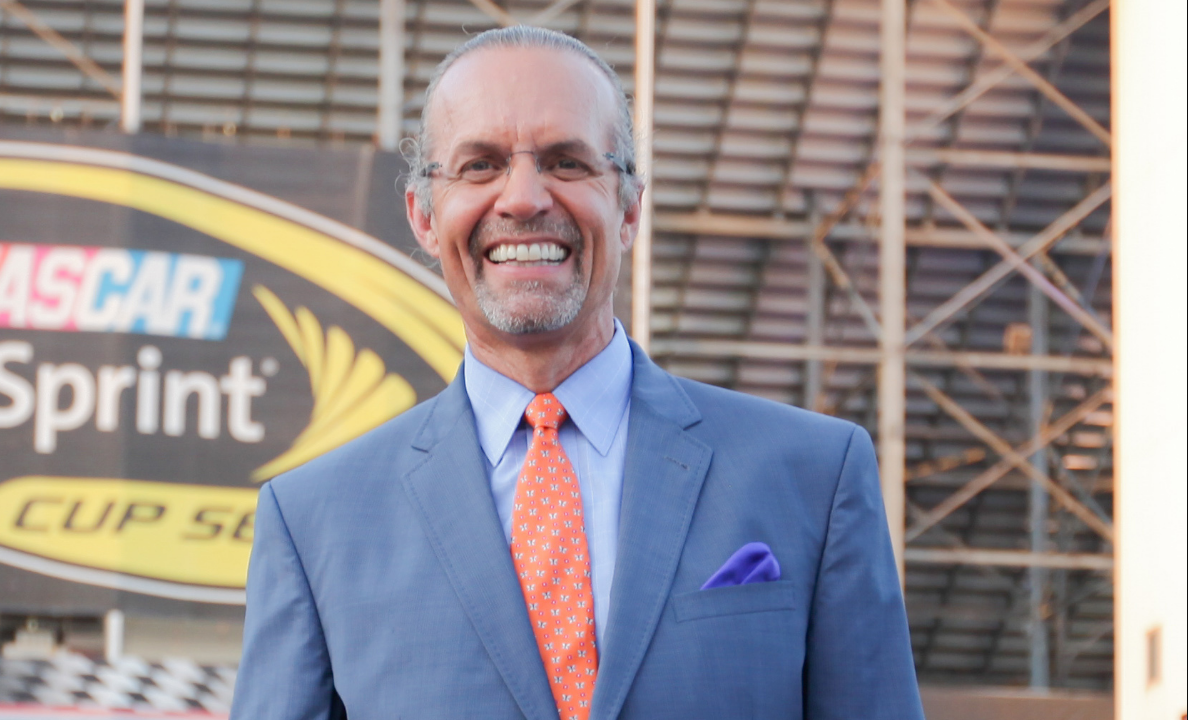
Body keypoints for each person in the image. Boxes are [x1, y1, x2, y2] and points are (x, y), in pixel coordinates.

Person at [231, 26, 923, 720]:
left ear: (628, 207)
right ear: (423, 215)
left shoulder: (815, 476)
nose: (524, 198)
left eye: (566, 163)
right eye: (479, 166)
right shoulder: (314, 522)